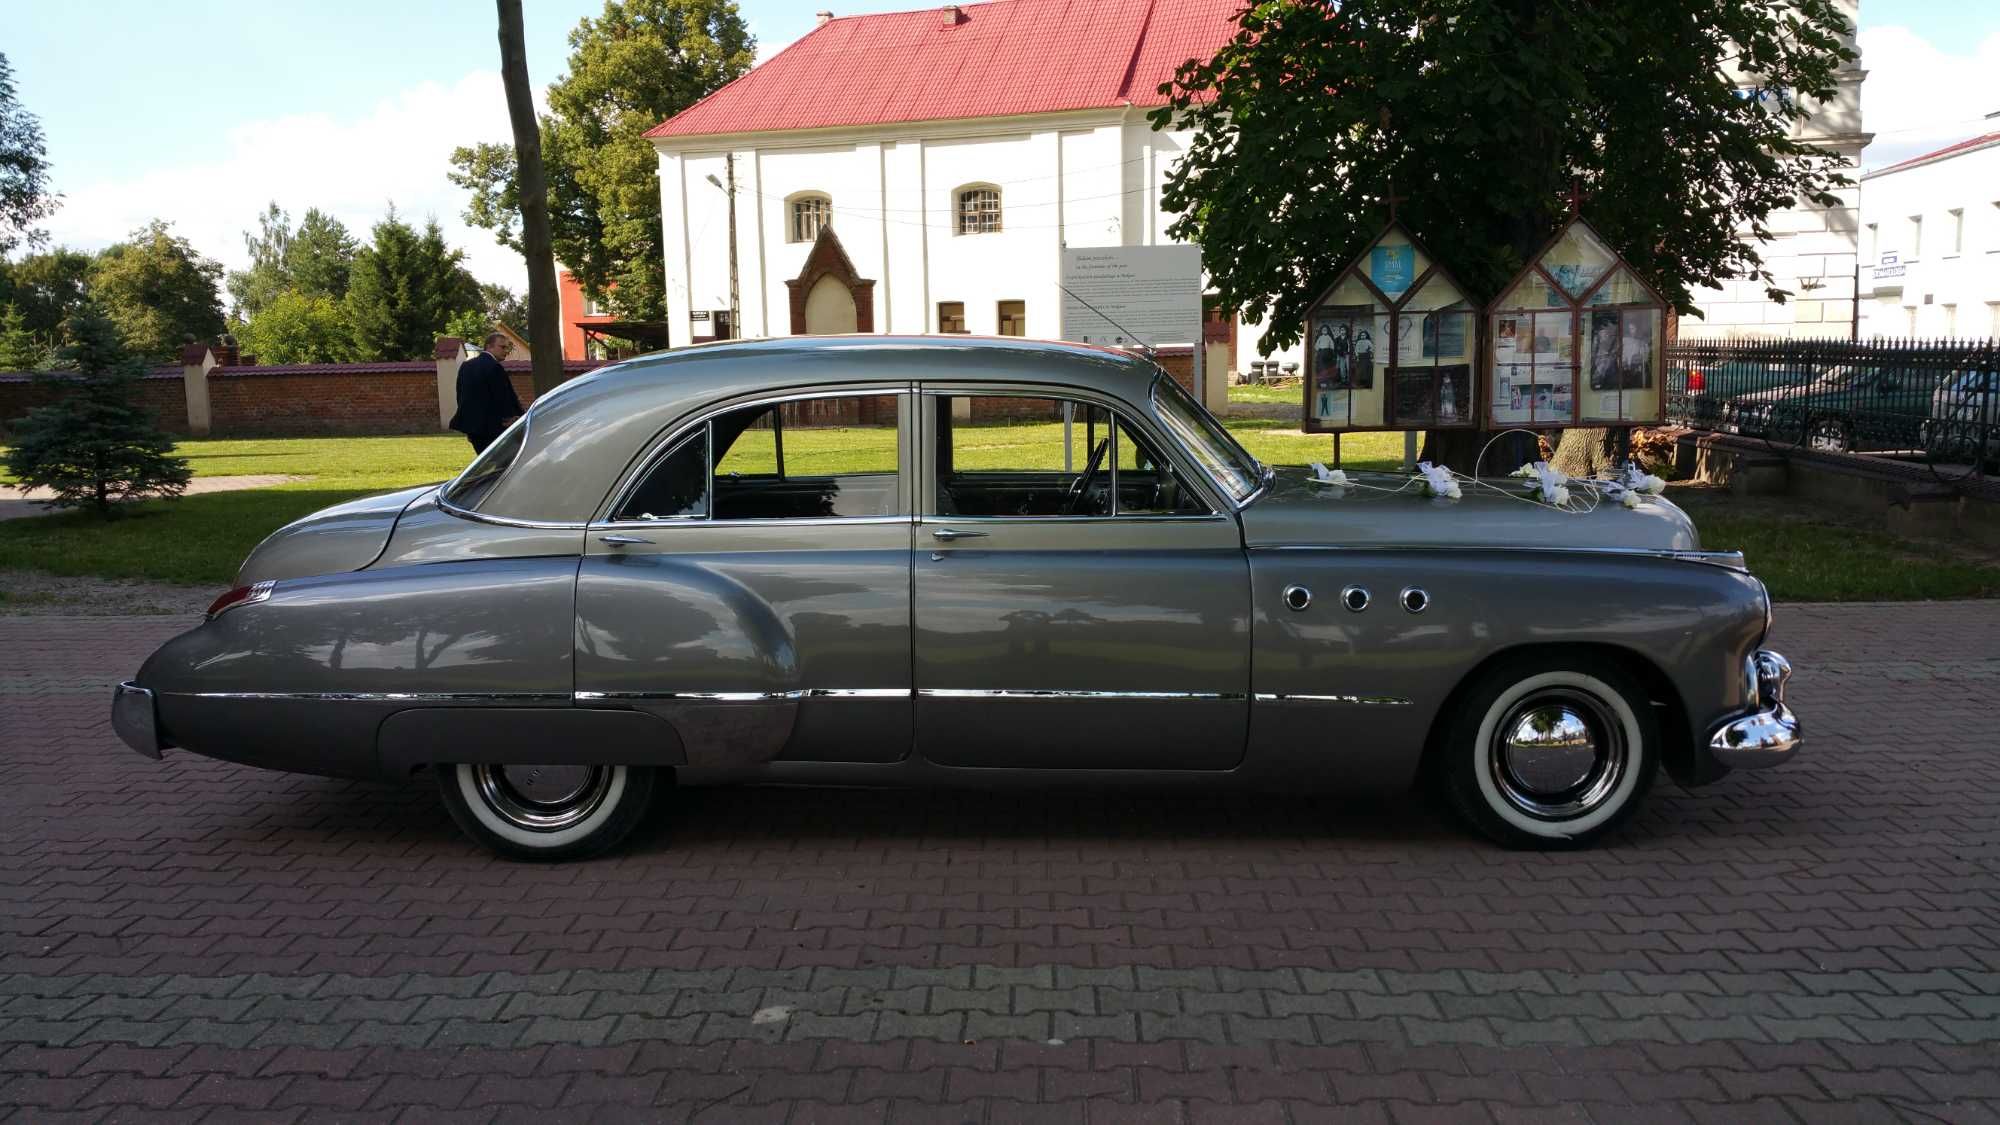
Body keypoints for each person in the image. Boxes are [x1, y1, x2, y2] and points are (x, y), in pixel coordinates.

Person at [448, 333, 525, 453]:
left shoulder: (466, 365)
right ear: (489, 347)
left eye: (507, 348)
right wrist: (514, 417)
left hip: (473, 427)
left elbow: (461, 395)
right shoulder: (494, 367)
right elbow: (502, 397)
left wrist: (468, 423)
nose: (506, 351)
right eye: (502, 347)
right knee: (503, 463)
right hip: (494, 427)